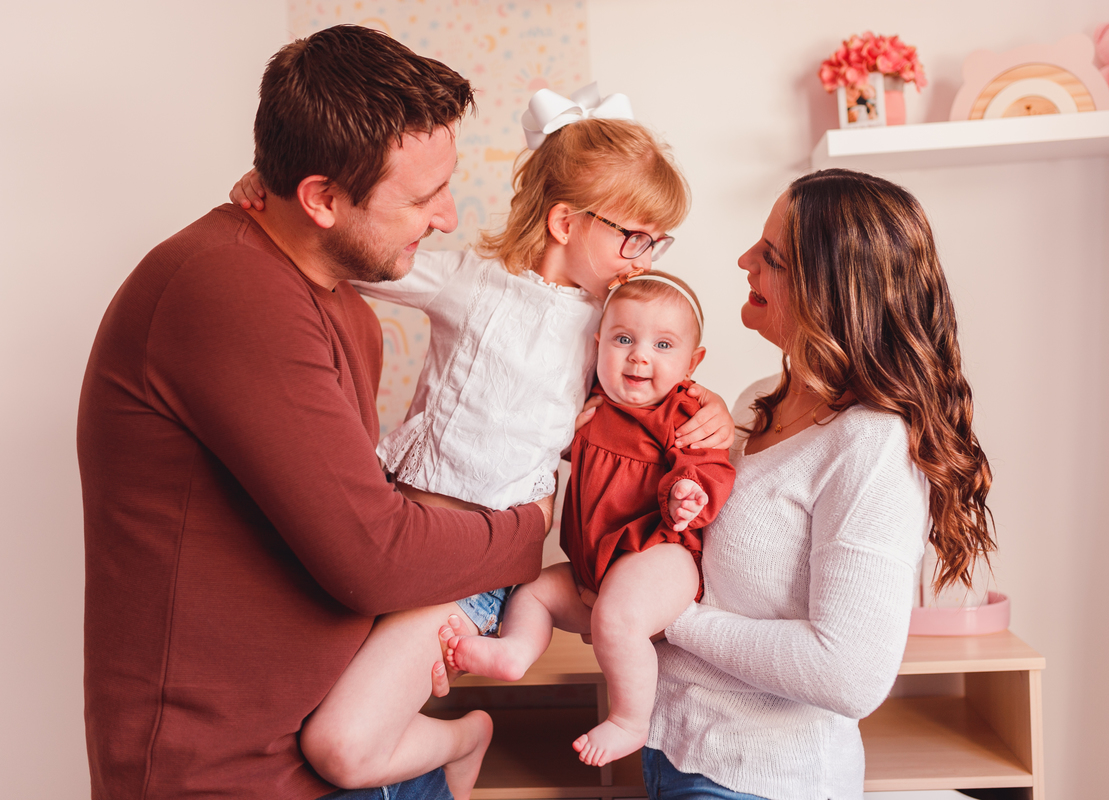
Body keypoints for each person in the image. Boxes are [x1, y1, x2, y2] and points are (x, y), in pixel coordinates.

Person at [77, 26, 556, 800]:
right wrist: (531, 529)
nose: (447, 219)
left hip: (349, 745)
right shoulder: (227, 291)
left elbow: (360, 524)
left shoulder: (339, 304)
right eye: (423, 197)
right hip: (233, 775)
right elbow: (377, 556)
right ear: (321, 198)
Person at [228, 90, 735, 796]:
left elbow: (657, 385)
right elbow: (350, 258)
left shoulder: (606, 331)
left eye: (656, 241)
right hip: (390, 538)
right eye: (635, 236)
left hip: (471, 568)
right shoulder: (471, 281)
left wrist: (706, 404)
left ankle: (465, 738)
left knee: (339, 746)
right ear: (565, 222)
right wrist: (273, 197)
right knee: (292, 707)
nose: (642, 257)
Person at [640, 169, 996, 800]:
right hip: (675, 747)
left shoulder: (871, 444)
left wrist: (672, 620)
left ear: (829, 294)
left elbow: (849, 673)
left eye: (770, 257)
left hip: (759, 779)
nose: (744, 259)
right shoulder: (754, 407)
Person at [445, 270, 736, 769]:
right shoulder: (588, 403)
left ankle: (629, 720)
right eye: (624, 339)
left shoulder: (682, 413)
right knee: (532, 590)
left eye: (663, 345)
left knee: (618, 616)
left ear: (693, 363)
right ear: (598, 345)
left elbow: (709, 464)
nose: (639, 355)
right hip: (592, 570)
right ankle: (514, 651)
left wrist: (689, 489)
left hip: (659, 557)